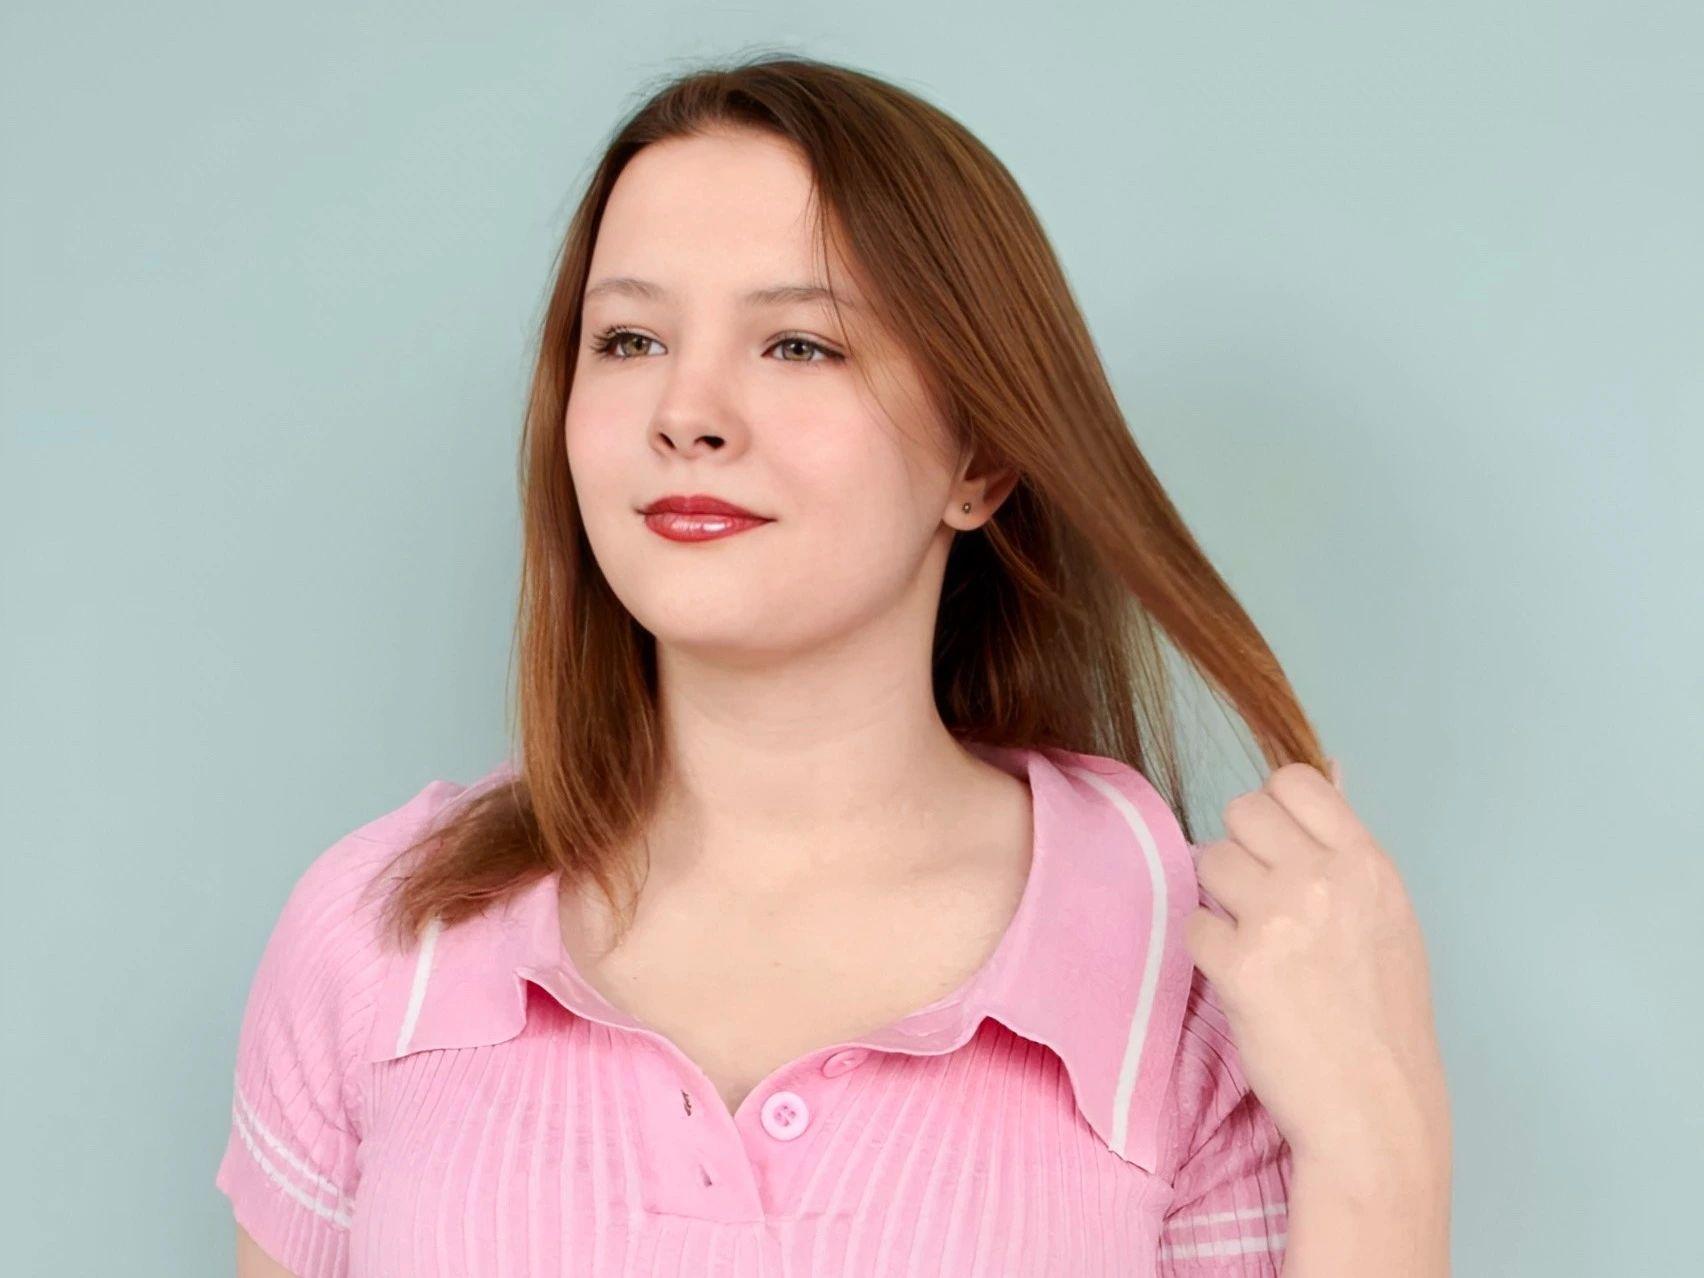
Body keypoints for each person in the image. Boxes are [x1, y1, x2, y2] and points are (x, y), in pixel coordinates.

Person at [214, 52, 1451, 1277]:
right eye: (629, 338)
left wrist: (1382, 1158)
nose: (685, 413)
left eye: (800, 345)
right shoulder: (376, 934)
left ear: (980, 463)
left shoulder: (1193, 983)